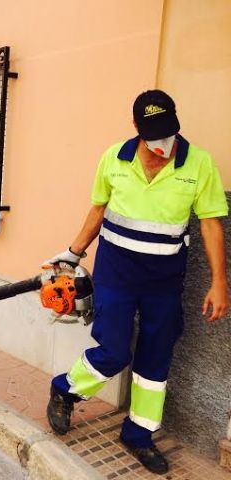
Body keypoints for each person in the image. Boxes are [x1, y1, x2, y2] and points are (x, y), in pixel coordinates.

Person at [44, 90, 229, 474]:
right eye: (153, 133)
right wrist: (73, 252)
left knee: (156, 357)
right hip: (116, 274)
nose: (163, 142)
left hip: (164, 280)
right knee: (113, 351)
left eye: (168, 131)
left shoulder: (199, 163)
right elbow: (98, 209)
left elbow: (211, 221)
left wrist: (219, 282)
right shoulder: (115, 158)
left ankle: (138, 433)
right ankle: (65, 389)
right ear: (136, 128)